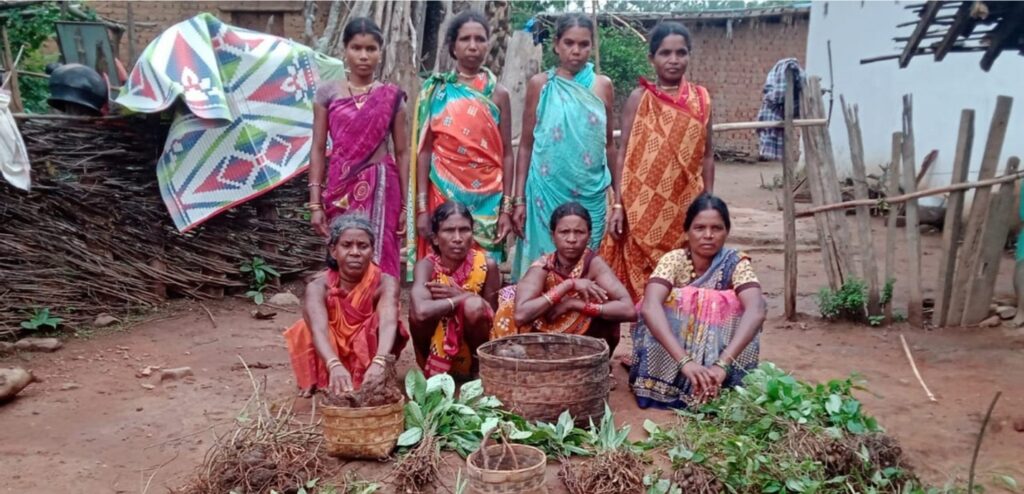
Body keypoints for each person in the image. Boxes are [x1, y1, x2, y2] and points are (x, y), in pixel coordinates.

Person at [600, 22, 714, 302]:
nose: (673, 60)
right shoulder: (640, 99)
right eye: (665, 53)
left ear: (689, 55)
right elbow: (624, 151)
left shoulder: (702, 99)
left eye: (680, 53)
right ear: (652, 58)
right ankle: (646, 340)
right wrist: (618, 204)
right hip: (642, 208)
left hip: (685, 205)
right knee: (643, 283)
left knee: (683, 276)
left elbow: (708, 155)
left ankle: (678, 338)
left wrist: (708, 203)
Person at [629, 195, 767, 409]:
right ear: (687, 232)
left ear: (727, 232)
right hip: (675, 360)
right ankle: (668, 385)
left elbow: (757, 309)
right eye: (700, 228)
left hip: (722, 363)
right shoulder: (674, 260)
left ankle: (719, 382)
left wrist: (722, 365)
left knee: (742, 306)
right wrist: (686, 362)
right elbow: (649, 306)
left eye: (717, 228)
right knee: (668, 302)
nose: (708, 235)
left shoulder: (735, 263)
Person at [511, 13, 615, 281]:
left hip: (590, 194)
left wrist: (620, 201)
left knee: (585, 269)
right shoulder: (541, 85)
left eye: (583, 44)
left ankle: (579, 323)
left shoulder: (602, 86)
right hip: (544, 192)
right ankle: (536, 319)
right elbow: (525, 146)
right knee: (542, 268)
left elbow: (609, 146)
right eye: (569, 43)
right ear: (556, 45)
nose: (576, 51)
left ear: (591, 46)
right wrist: (518, 199)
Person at [409, 10, 516, 270]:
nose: (473, 45)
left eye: (480, 39)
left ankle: (484, 310)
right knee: (439, 268)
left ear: (488, 45)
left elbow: (507, 154)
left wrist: (506, 209)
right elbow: (424, 152)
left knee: (484, 269)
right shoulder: (436, 91)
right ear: (452, 47)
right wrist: (422, 208)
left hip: (488, 198)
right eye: (465, 39)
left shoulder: (498, 94)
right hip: (443, 192)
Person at [308, 17, 409, 278]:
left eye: (371, 49)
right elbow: (318, 149)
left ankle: (381, 314)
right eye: (356, 48)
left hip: (382, 188)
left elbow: (402, 152)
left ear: (380, 52)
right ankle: (346, 316)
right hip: (340, 188)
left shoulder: (392, 96)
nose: (363, 56)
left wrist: (405, 207)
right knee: (344, 251)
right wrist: (315, 204)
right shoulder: (327, 94)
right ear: (345, 50)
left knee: (381, 250)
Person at [284, 214, 407, 397]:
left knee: (383, 325)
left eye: (363, 246)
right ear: (334, 251)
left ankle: (373, 375)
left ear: (372, 251)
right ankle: (320, 377)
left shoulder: (385, 283)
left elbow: (389, 321)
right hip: (331, 355)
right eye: (347, 245)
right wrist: (333, 364)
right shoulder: (318, 287)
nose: (355, 252)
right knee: (305, 327)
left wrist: (380, 361)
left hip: (371, 352)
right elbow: (319, 330)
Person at [493, 202, 635, 355]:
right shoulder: (543, 265)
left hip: (585, 347)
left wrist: (575, 304)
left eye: (579, 232)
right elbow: (521, 315)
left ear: (589, 236)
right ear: (552, 236)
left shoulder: (594, 264)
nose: (572, 239)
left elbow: (628, 309)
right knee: (510, 300)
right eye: (564, 232)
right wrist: (568, 285)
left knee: (599, 300)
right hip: (540, 344)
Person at [410, 200, 500, 378]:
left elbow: (493, 319)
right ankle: (434, 370)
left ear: (472, 234)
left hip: (475, 351)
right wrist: (460, 298)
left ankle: (478, 369)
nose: (458, 238)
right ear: (435, 237)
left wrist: (466, 298)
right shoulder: (426, 267)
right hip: (434, 352)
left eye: (464, 230)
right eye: (449, 231)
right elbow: (420, 312)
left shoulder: (486, 265)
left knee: (474, 306)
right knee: (416, 313)